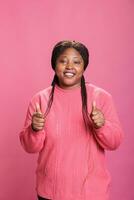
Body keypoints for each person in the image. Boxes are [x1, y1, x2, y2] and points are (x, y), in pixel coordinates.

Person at [19, 40, 124, 200]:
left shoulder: (101, 97)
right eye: (63, 61)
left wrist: (102, 126)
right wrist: (34, 130)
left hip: (91, 194)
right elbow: (29, 147)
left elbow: (115, 142)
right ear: (54, 65)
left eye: (76, 62)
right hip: (50, 193)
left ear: (84, 66)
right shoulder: (40, 99)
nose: (69, 66)